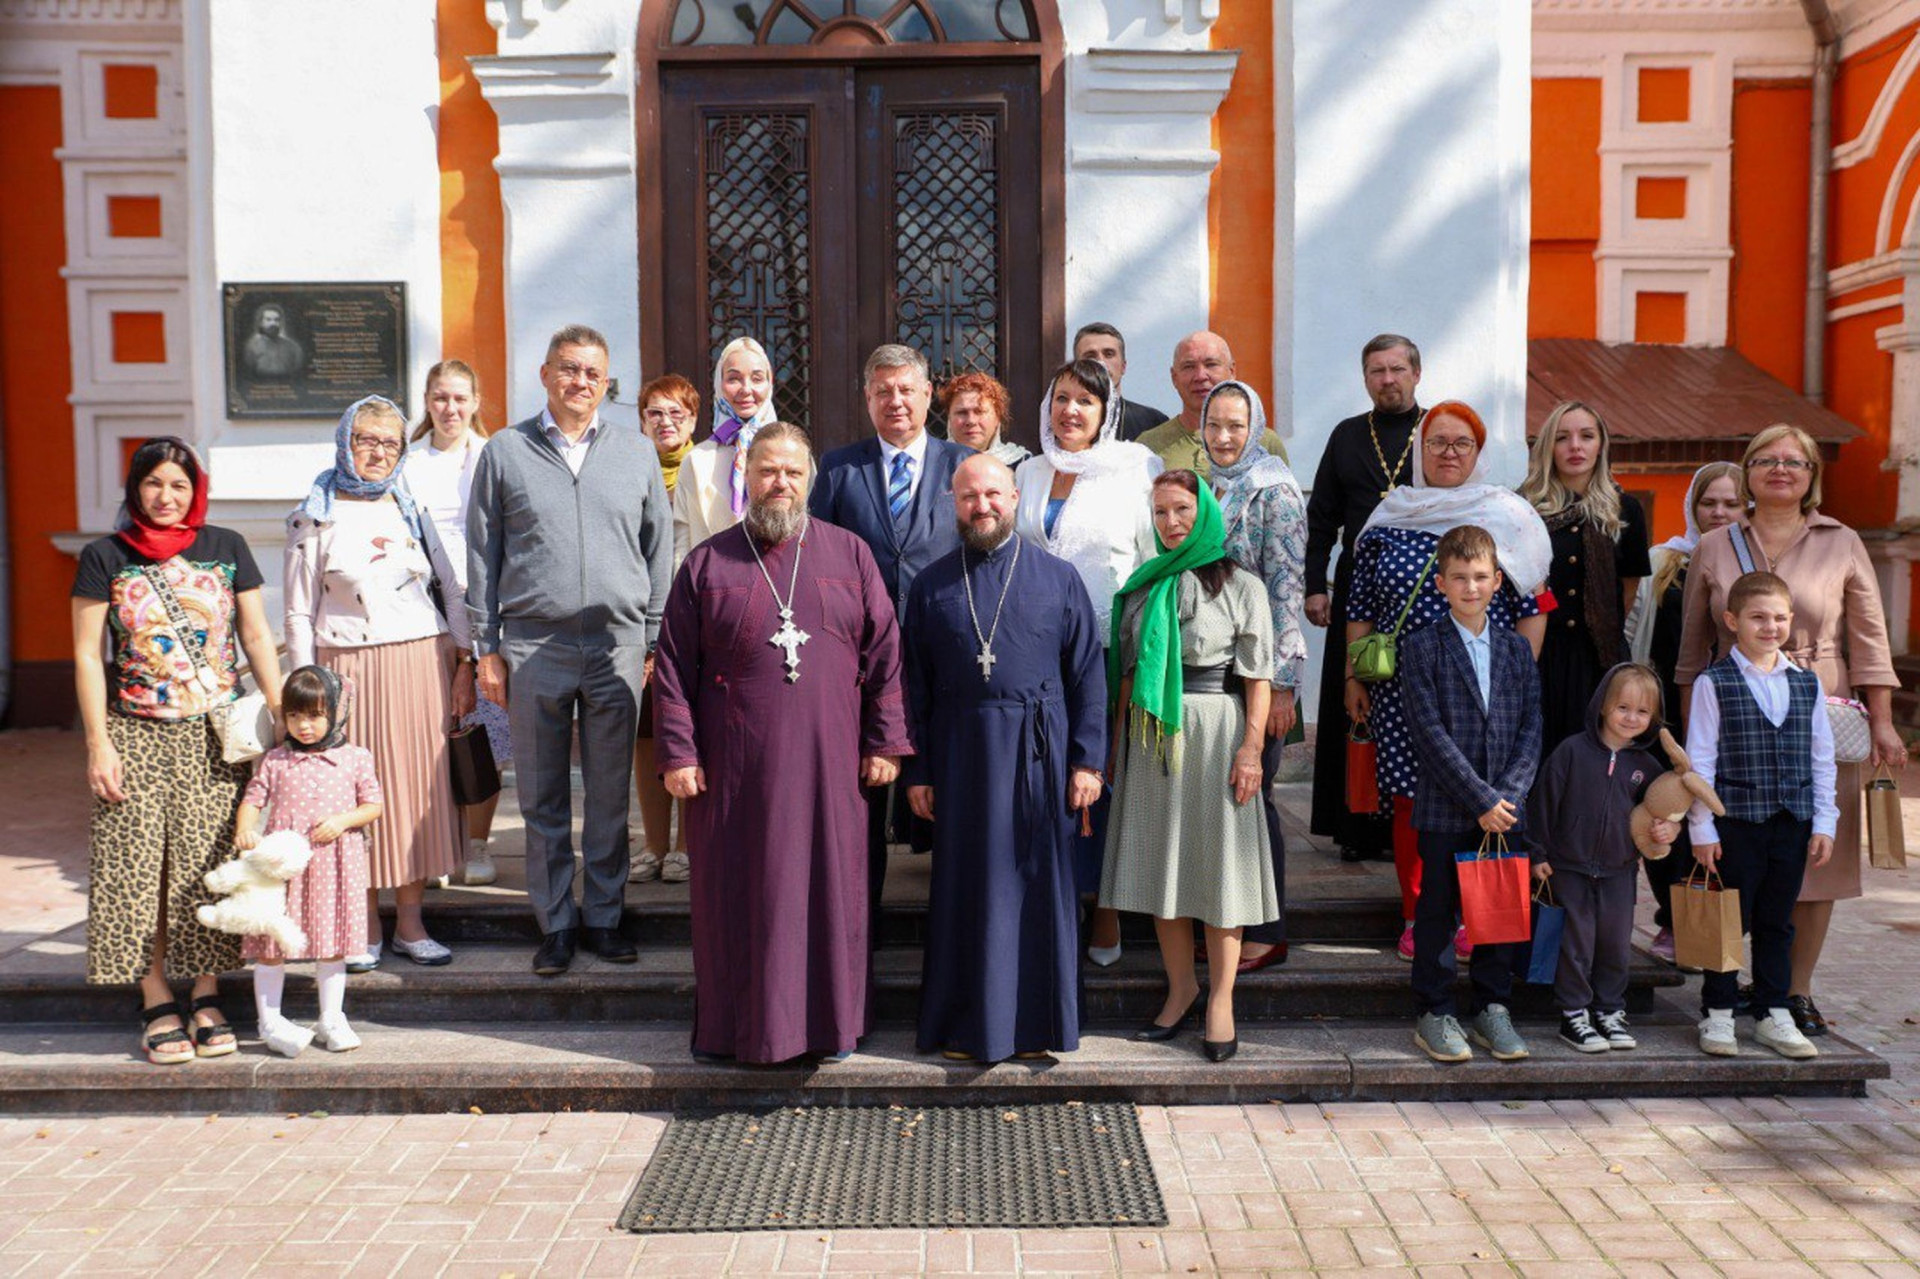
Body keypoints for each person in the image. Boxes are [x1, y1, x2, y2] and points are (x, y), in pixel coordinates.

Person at [654, 423, 914, 1063]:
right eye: (768, 471)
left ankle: (831, 1029)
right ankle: (738, 1030)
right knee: (743, 897)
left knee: (831, 893)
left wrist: (884, 742)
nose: (780, 483)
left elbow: (885, 655)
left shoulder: (849, 555)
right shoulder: (708, 562)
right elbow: (671, 667)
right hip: (735, 773)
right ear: (745, 476)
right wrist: (680, 754)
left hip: (832, 767)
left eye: (793, 473)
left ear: (810, 481)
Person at [1675, 424, 1901, 1038]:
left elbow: (1870, 638)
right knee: (1733, 846)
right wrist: (1687, 732)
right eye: (1766, 460)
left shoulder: (1843, 539)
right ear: (1746, 472)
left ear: (1811, 475)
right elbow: (1693, 644)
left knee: (1814, 856)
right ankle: (1727, 987)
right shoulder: (1718, 543)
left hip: (1821, 700)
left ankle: (1794, 991)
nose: (1781, 470)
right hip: (1732, 703)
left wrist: (1881, 719)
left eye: (1794, 462)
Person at [467, 324, 674, 977]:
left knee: (611, 790)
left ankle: (605, 916)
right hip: (533, 642)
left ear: (605, 382)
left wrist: (653, 635)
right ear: (545, 374)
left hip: (616, 643)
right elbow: (481, 551)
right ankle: (556, 920)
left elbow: (658, 547)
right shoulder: (505, 450)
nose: (580, 382)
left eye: (592, 372)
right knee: (541, 793)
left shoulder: (635, 452)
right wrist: (486, 647)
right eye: (568, 369)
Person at [72, 438, 285, 1065]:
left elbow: (255, 635)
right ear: (135, 489)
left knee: (210, 863)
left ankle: (208, 992)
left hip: (215, 735)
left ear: (197, 492)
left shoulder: (226, 548)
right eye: (154, 485)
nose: (166, 498)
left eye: (180, 486)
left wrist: (282, 717)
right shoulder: (103, 556)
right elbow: (88, 654)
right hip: (134, 730)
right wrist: (97, 744)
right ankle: (155, 995)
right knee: (139, 869)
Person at [903, 453, 1105, 1062]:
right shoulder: (931, 584)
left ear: (1016, 499)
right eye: (969, 497)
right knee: (969, 893)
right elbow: (911, 686)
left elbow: (1088, 675)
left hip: (1038, 758)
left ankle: (1037, 1026)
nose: (982, 506)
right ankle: (968, 1026)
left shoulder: (1058, 577)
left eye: (993, 494)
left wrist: (1088, 761)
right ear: (953, 504)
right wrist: (918, 770)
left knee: (1036, 888)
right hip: (961, 758)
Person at [1345, 402, 1551, 963]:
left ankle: (1471, 913)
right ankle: (1418, 914)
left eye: (1462, 443)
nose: (1449, 453)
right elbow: (1360, 603)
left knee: (1480, 791)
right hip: (1402, 691)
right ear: (1419, 449)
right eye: (1437, 442)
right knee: (1415, 800)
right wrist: (1355, 678)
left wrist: (1518, 674)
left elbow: (1535, 600)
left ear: (1478, 453)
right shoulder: (1391, 515)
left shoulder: (1506, 515)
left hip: (1487, 690)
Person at [287, 395, 474, 971]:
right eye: (366, 439)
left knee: (418, 791)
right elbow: (296, 610)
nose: (377, 451)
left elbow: (450, 584)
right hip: (346, 670)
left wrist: (466, 661)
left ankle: (412, 922)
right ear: (345, 442)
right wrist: (305, 687)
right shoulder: (312, 515)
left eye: (390, 442)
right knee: (355, 795)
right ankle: (364, 923)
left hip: (419, 663)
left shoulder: (407, 505)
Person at [1103, 471, 1278, 1062]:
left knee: (1218, 867)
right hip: (1152, 736)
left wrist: (1251, 749)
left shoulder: (1242, 586)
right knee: (1163, 867)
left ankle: (1221, 1001)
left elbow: (1258, 678)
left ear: (1203, 512)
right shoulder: (1141, 586)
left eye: (1181, 510)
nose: (1171, 523)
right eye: (1160, 513)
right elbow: (1126, 675)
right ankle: (1181, 990)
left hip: (1215, 728)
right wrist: (1112, 750)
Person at [809, 344, 969, 934]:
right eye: (883, 392)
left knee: (950, 794)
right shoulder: (838, 468)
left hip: (947, 658)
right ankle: (857, 932)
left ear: (929, 396)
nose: (895, 402)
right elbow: (819, 556)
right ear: (868, 399)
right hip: (860, 663)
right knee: (861, 802)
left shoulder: (965, 463)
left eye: (906, 390)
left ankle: (955, 934)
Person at [1014, 357, 1162, 964]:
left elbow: (1154, 563)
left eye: (1086, 402)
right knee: (1039, 778)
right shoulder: (1025, 471)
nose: (1070, 411)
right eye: (1062, 399)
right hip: (1029, 650)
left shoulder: (1135, 471)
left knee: (1100, 779)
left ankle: (1105, 910)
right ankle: (1049, 904)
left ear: (1107, 413)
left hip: (1105, 650)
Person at [1398, 523, 1543, 1065]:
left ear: (1498, 580)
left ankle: (1492, 1007)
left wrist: (1504, 798)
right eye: (1459, 577)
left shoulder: (1516, 649)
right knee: (1437, 912)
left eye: (1481, 577)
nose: (1471, 587)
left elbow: (1532, 728)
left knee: (1499, 912)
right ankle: (1435, 1011)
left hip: (1506, 812)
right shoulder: (1422, 647)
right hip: (1446, 808)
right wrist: (1479, 798)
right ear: (1440, 583)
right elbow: (1428, 733)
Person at [1685, 570, 1838, 1060]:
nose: (1769, 626)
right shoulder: (1716, 682)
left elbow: (1821, 757)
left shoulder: (1807, 684)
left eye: (1778, 618)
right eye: (1757, 617)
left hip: (1791, 822)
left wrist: (1824, 821)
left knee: (1778, 921)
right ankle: (1719, 1013)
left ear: (1791, 621)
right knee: (1729, 919)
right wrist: (1702, 827)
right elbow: (1700, 760)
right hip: (1735, 825)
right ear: (1732, 620)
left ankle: (1775, 1010)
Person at [1304, 333, 1424, 862]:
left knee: (1408, 704)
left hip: (1420, 590)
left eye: (1397, 369)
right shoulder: (1349, 435)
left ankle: (1406, 822)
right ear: (1365, 378)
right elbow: (1322, 515)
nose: (1388, 380)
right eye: (1377, 371)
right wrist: (1313, 583)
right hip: (1357, 586)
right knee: (1355, 698)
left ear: (1416, 374)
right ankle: (1355, 826)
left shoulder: (1437, 432)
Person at [1202, 380, 1307, 974]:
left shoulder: (1275, 489)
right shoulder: (1210, 483)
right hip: (1211, 667)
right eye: (1214, 424)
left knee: (1255, 797)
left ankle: (1268, 930)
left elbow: (1286, 590)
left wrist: (1286, 682)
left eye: (1235, 426)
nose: (1222, 436)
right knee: (1224, 800)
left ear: (1256, 428)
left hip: (1259, 672)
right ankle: (1227, 921)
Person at [234, 666, 383, 1058]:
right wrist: (246, 831)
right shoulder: (276, 760)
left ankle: (331, 1016)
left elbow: (373, 805)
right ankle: (269, 1020)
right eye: (295, 716)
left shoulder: (355, 758)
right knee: (273, 940)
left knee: (331, 941)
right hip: (282, 867)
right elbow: (253, 799)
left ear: (336, 712)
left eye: (315, 716)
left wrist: (341, 821)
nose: (304, 726)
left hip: (334, 863)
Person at [1527, 663, 1674, 1053]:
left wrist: (1666, 831)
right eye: (1623, 707)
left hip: (1619, 871)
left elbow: (1660, 815)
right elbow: (1543, 803)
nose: (1631, 718)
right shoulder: (1572, 752)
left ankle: (1610, 1010)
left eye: (1642, 712)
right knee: (1577, 943)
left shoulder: (1647, 767)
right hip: (1569, 867)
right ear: (1603, 706)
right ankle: (1574, 1013)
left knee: (1614, 944)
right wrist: (1537, 852)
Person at [1629, 461, 1742, 965]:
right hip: (1669, 715)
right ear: (1692, 507)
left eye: (1731, 503)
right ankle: (1674, 921)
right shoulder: (1662, 561)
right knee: (1665, 816)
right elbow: (1636, 636)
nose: (1718, 512)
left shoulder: (1753, 561)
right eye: (1708, 502)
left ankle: (1718, 926)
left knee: (1723, 819)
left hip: (1736, 718)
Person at [404, 358, 504, 887]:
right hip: (422, 605)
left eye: (461, 398)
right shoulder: (407, 462)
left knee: (485, 725)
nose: (451, 408)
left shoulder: (492, 456)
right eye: (441, 397)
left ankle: (478, 843)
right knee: (430, 724)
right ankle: (438, 842)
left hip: (485, 602)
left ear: (476, 402)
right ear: (426, 401)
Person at [1519, 400, 1652, 756]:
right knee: (1541, 756)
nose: (1575, 446)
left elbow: (1627, 590)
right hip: (1539, 653)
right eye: (1563, 438)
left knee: (1596, 757)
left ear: (1600, 445)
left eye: (1586, 436)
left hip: (1600, 658)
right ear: (1549, 446)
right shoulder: (1522, 507)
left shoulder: (1625, 510)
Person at [635, 374, 701, 884]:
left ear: (694, 419)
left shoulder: (711, 466)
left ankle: (684, 845)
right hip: (638, 618)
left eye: (677, 412)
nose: (666, 422)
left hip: (695, 617)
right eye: (655, 412)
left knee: (689, 729)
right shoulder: (630, 468)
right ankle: (654, 843)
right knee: (647, 732)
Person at [672, 337, 776, 569]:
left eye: (757, 378)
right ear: (719, 384)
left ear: (770, 384)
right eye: (733, 379)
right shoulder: (697, 460)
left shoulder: (791, 454)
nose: (746, 389)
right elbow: (682, 537)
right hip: (712, 588)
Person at [1136, 331, 1287, 478]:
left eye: (1211, 364)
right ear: (1174, 377)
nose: (1200, 376)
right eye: (1189, 366)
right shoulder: (1148, 446)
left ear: (1232, 371)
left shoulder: (1264, 442)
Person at [1073, 321, 1168, 442]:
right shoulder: (1063, 421)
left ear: (1123, 366)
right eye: (1091, 356)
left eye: (1109, 354)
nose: (1101, 363)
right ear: (1075, 369)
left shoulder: (1154, 423)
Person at [940, 370, 1029, 467]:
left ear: (997, 417)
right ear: (949, 417)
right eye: (962, 412)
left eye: (979, 412)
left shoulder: (1022, 466)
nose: (971, 421)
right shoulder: (932, 464)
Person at [243, 304, 304, 378]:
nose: (273, 323)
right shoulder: (251, 346)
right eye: (268, 320)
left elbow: (297, 372)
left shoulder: (293, 347)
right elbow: (249, 372)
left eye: (277, 320)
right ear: (261, 323)